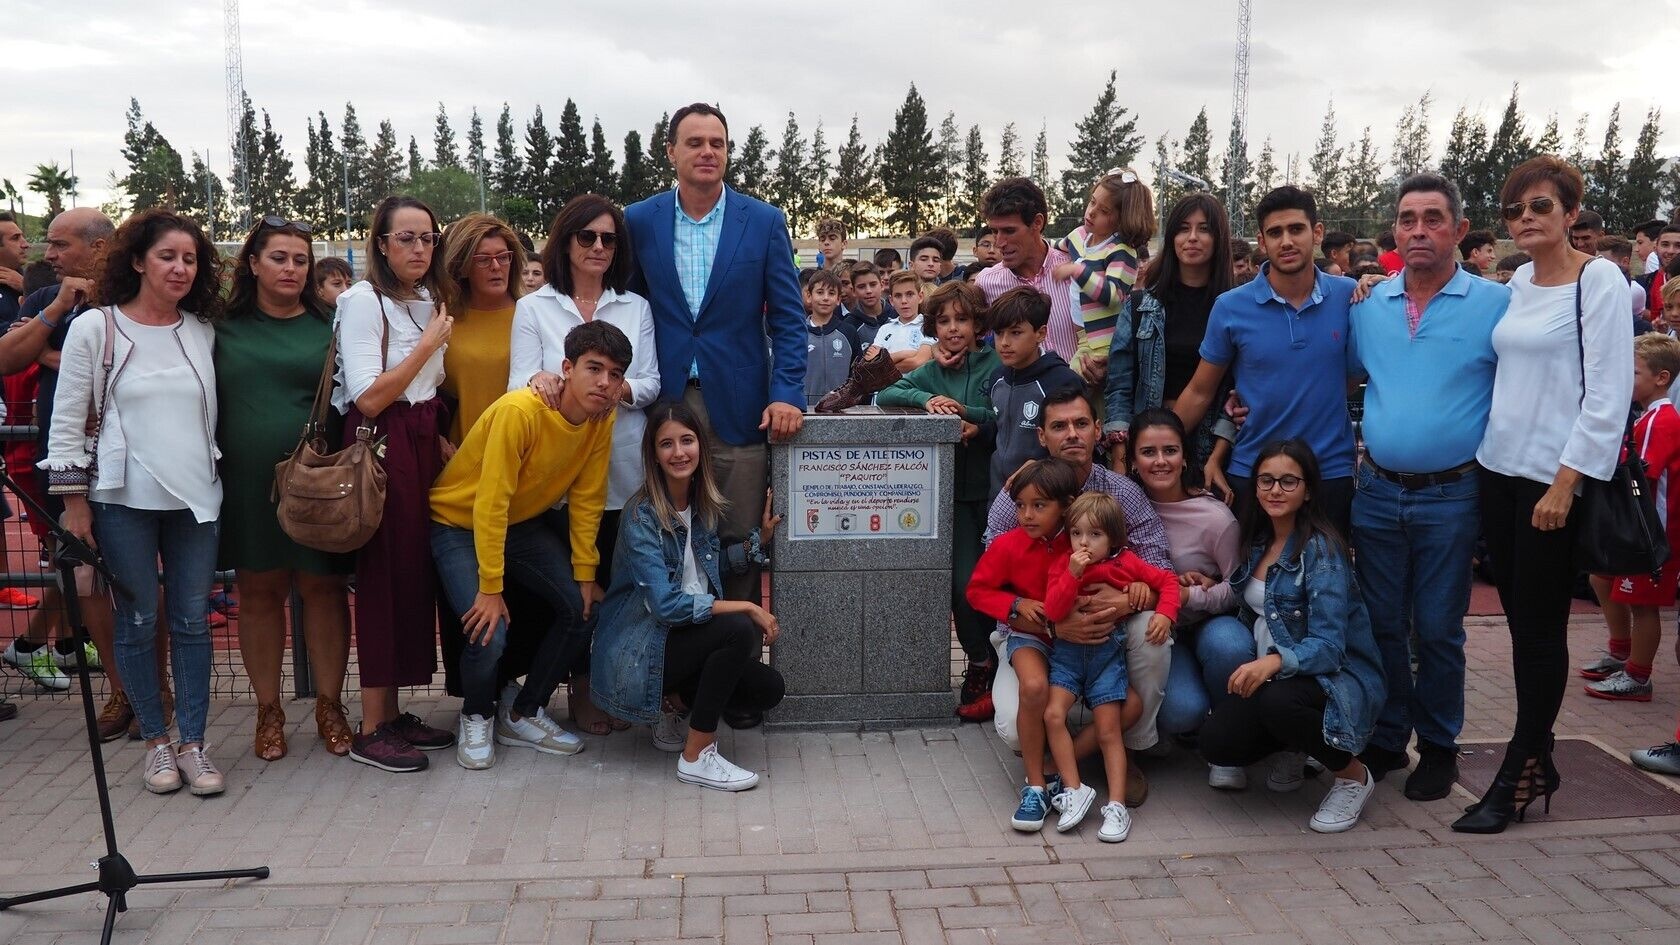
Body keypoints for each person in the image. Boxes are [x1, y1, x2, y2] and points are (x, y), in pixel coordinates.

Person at [1457, 156, 1633, 833]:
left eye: (1539, 206)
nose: (1525, 218)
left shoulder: (1599, 281)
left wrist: (1566, 481)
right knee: (1522, 621)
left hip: (1551, 483)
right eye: (1514, 210)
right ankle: (1538, 758)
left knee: (1538, 630)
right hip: (1498, 473)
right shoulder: (1521, 282)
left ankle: (1522, 768)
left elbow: (1609, 394)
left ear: (1570, 213)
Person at [43, 209, 228, 796]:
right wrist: (75, 504)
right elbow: (66, 420)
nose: (179, 268)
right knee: (139, 618)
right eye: (167, 256)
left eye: (190, 259)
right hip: (121, 499)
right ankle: (155, 743)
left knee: (192, 620)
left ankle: (193, 743)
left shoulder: (201, 330)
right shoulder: (94, 327)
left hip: (197, 498)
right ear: (138, 261)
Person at [1348, 174, 1510, 801]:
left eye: (1433, 218)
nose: (1419, 230)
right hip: (1377, 491)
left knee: (1439, 628)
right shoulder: (1369, 307)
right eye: (1408, 219)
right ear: (1394, 230)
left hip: (1453, 495)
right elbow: (1339, 375)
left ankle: (1439, 746)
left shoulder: (1495, 306)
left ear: (1460, 230)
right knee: (1383, 623)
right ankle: (1390, 736)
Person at [624, 102, 805, 623]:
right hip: (665, 403)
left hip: (742, 409)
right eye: (695, 142)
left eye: (717, 143)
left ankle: (740, 657)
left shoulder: (764, 221)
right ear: (671, 152)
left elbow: (788, 319)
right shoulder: (639, 220)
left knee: (741, 537)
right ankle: (673, 663)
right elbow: (628, 309)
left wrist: (786, 394)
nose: (707, 152)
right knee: (665, 535)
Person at [432, 320, 631, 769]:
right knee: (488, 628)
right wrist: (490, 587)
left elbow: (588, 498)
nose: (604, 382)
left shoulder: (601, 417)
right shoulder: (521, 411)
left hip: (518, 524)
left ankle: (523, 713)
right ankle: (477, 715)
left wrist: (585, 574)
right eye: (594, 368)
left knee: (584, 608)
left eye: (615, 374)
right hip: (459, 523)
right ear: (567, 368)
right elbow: (491, 502)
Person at [511, 193, 661, 734]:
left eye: (609, 239)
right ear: (565, 241)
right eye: (587, 236)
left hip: (621, 468)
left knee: (616, 586)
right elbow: (520, 381)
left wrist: (610, 389)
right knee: (578, 590)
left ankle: (610, 685)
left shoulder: (635, 306)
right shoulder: (533, 307)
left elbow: (650, 382)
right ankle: (576, 688)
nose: (598, 247)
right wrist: (543, 380)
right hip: (556, 473)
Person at [983, 389, 1175, 805]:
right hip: (1034, 633)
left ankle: (1125, 750)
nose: (1072, 434)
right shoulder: (1020, 494)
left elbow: (1158, 563)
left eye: (1081, 424)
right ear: (1042, 436)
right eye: (1059, 426)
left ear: (1097, 430)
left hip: (1108, 630)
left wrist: (1129, 599)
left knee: (1152, 633)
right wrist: (1051, 624)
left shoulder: (1121, 492)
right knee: (1013, 728)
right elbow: (991, 578)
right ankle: (1060, 756)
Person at [591, 400, 786, 790]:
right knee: (737, 629)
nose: (678, 452)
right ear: (653, 455)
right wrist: (747, 606)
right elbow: (665, 605)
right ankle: (697, 755)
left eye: (687, 441)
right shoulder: (642, 516)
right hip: (640, 652)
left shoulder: (700, 506)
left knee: (767, 688)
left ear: (701, 447)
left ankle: (673, 703)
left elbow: (704, 569)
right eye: (666, 444)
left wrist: (757, 543)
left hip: (679, 642)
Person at [216, 215, 355, 761]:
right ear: (253, 263)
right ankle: (268, 710)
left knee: (324, 589)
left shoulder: (333, 326)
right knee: (258, 592)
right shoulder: (217, 327)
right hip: (246, 484)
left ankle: (330, 705)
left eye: (301, 260)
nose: (291, 268)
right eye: (278, 257)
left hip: (318, 482)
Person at [1199, 439, 1385, 833]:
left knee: (1279, 703)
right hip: (1284, 675)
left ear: (1308, 491)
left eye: (1288, 481)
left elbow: (1331, 648)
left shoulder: (1321, 552)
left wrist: (1274, 661)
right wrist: (1205, 583)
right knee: (1217, 740)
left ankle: (1353, 776)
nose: (1275, 490)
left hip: (1335, 678)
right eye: (1266, 480)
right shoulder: (1258, 542)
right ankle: (1296, 745)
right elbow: (1252, 602)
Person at [333, 196, 457, 773]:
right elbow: (368, 397)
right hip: (383, 441)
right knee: (383, 576)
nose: (418, 248)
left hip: (422, 438)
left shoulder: (427, 299)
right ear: (380, 245)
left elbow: (426, 386)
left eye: (427, 238)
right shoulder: (363, 301)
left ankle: (392, 713)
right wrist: (428, 345)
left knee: (413, 574)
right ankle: (371, 726)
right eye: (405, 238)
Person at [1, 209, 134, 736]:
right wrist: (56, 311)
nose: (48, 254)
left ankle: (157, 690)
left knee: (146, 579)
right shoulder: (43, 298)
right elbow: (7, 358)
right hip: (65, 461)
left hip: (130, 458)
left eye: (60, 244)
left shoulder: (134, 292)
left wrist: (53, 352)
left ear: (99, 248)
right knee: (84, 579)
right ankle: (122, 693)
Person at [1174, 186, 1359, 531]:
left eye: (1296, 229)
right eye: (1275, 233)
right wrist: (1158, 446)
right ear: (1262, 241)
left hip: (1329, 472)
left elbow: (1350, 380)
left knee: (1329, 566)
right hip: (1255, 473)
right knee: (1254, 566)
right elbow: (1200, 391)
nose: (1286, 241)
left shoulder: (1350, 297)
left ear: (1317, 232)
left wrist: (1376, 282)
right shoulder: (1230, 307)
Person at [877, 281, 1000, 719]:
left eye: (962, 320)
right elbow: (886, 393)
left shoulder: (997, 363)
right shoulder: (933, 367)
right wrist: (926, 398)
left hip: (1001, 496)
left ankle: (1007, 666)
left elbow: (1007, 415)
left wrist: (971, 416)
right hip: (957, 501)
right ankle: (980, 661)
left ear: (978, 324)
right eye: (944, 321)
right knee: (964, 588)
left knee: (1004, 585)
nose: (952, 329)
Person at [1121, 410, 1253, 789]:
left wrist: (1188, 595)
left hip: (1211, 622)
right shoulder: (1123, 509)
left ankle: (1228, 744)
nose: (1160, 461)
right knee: (1182, 711)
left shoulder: (1214, 517)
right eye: (1148, 452)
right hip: (1163, 631)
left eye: (1170, 450)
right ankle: (1182, 727)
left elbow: (1238, 588)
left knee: (1229, 646)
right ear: (1133, 461)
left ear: (1184, 457)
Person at [1042, 492, 1179, 842]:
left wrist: (1165, 613)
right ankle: (1074, 790)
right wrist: (1071, 574)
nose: (1083, 542)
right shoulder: (1064, 563)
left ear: (1114, 539)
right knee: (1053, 715)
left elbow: (1168, 581)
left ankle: (1116, 806)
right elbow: (1054, 610)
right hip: (1068, 658)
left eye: (1095, 534)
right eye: (1076, 533)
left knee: (1108, 731)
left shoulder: (1127, 563)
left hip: (1106, 659)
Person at [966, 458, 1080, 830]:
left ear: (1066, 505)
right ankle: (1035, 786)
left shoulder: (1082, 542)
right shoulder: (1007, 545)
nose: (1027, 515)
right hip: (1028, 636)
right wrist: (1015, 603)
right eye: (1020, 505)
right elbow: (977, 591)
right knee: (1032, 686)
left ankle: (1065, 769)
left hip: (1081, 643)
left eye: (1039, 505)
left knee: (1124, 705)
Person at [1104, 192, 1237, 475]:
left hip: (1209, 452)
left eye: (1204, 229)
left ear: (1219, 239)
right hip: (1146, 450)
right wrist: (1120, 456)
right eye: (1183, 228)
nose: (1192, 238)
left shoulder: (1235, 308)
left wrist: (1218, 453)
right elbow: (1119, 385)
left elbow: (1238, 390)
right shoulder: (1140, 306)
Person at [1581, 333, 1680, 702]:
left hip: (1651, 531)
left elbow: (1641, 471)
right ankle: (1621, 652)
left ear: (1661, 378)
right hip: (1639, 525)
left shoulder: (1659, 420)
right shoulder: (1646, 416)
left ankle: (1638, 676)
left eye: (1634, 373)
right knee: (1601, 578)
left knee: (1643, 602)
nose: (1626, 380)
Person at [979, 287, 1085, 499]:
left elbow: (1078, 446)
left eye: (1016, 332)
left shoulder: (1062, 381)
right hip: (1000, 496)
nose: (1004, 342)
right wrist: (976, 430)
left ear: (1040, 333)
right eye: (999, 333)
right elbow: (1003, 429)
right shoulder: (997, 378)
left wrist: (1041, 467)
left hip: (1047, 498)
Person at [975, 178, 1086, 375]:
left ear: (1037, 222)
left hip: (1084, 390)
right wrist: (936, 350)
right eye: (994, 231)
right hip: (1020, 393)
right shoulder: (986, 283)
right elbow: (974, 345)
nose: (999, 243)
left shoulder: (1076, 270)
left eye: (1009, 231)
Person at [1053, 168, 1153, 385]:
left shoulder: (1121, 252)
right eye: (1092, 202)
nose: (1091, 212)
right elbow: (1055, 246)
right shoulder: (1080, 236)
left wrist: (1077, 271)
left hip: (1104, 343)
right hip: (1082, 339)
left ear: (1122, 219)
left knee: (1067, 390)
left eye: (1104, 211)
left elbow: (1114, 295)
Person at [438, 213, 526, 443]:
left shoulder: (531, 314)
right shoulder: (443, 319)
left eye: (503, 257)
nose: (496, 266)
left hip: (523, 449)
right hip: (459, 452)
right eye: (483, 259)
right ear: (464, 266)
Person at [800, 268, 861, 408]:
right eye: (820, 292)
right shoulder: (798, 333)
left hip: (842, 411)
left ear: (838, 299)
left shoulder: (848, 332)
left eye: (831, 293)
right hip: (804, 409)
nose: (825, 298)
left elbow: (857, 375)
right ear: (809, 296)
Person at [875, 272, 934, 370]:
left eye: (909, 294)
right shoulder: (884, 329)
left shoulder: (929, 326)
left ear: (920, 297)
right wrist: (906, 354)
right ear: (891, 301)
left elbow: (918, 362)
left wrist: (883, 365)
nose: (904, 301)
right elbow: (872, 363)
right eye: (898, 296)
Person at [841, 261, 893, 345]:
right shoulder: (849, 326)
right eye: (861, 287)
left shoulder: (897, 315)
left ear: (882, 285)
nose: (868, 291)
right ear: (853, 291)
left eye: (873, 285)